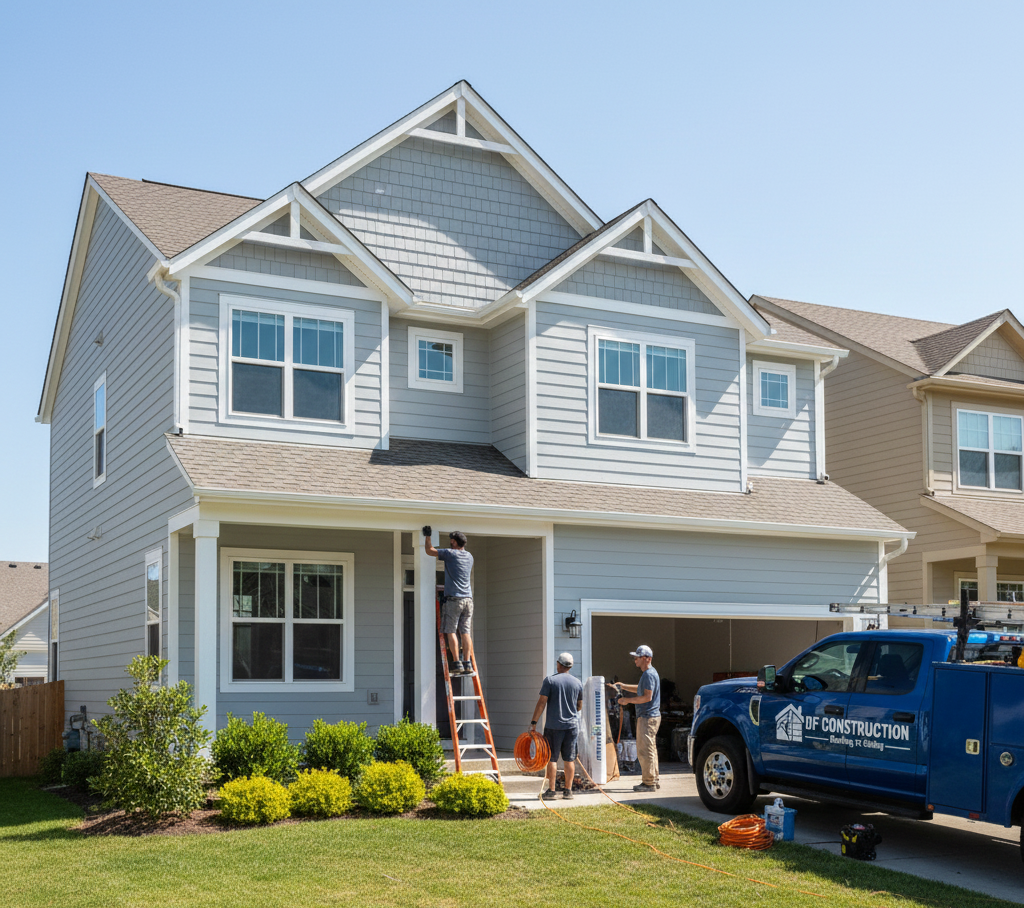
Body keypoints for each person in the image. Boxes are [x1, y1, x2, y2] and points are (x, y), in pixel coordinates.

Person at [530, 652, 584, 800]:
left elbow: (542, 703)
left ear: (558, 664)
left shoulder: (550, 681)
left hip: (554, 726)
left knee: (552, 759)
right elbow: (579, 705)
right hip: (572, 727)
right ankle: (568, 791)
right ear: (570, 666)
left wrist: (534, 722)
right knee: (569, 759)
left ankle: (552, 791)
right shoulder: (577, 682)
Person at [425, 529, 475, 674]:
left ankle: (457, 662)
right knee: (465, 632)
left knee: (451, 630)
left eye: (451, 541)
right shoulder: (469, 556)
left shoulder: (450, 554)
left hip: (454, 600)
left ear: (454, 542)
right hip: (468, 600)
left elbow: (430, 551)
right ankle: (467, 662)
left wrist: (428, 536)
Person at [615, 644, 661, 792]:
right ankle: (654, 780)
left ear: (647, 659)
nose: (635, 659)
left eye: (638, 657)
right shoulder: (649, 674)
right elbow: (641, 689)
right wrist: (623, 686)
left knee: (644, 751)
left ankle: (648, 783)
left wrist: (627, 700)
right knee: (651, 749)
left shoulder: (648, 674)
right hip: (651, 717)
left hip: (647, 718)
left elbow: (647, 697)